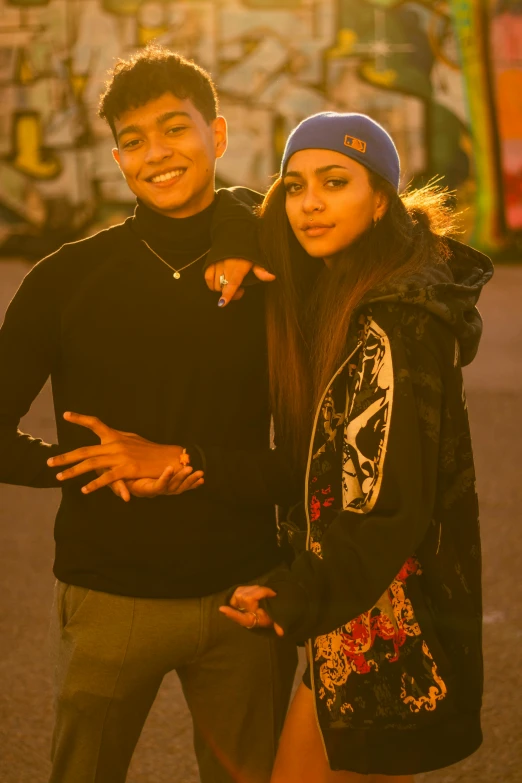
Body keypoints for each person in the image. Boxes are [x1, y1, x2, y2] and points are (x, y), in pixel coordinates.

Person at [0, 44, 299, 783]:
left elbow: (319, 446)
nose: (155, 153)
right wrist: (85, 466)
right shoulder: (64, 280)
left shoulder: (269, 267)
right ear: (117, 159)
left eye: (175, 128)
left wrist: (186, 461)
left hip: (245, 595)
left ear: (217, 136)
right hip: (110, 596)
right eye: (133, 140)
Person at [219, 113, 493, 782]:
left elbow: (387, 504)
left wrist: (296, 594)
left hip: (386, 622)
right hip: (352, 611)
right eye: (294, 185)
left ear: (380, 201)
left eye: (334, 182)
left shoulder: (393, 322)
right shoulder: (342, 289)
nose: (308, 203)